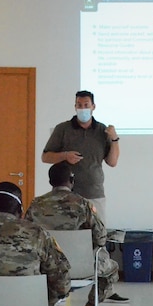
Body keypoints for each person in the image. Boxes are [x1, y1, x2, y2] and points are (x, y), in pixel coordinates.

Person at [24, 162, 128, 306]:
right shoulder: (83, 204)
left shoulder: (36, 205)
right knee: (112, 270)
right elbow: (101, 238)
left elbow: (27, 235)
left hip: (46, 267)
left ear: (51, 182)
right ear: (72, 180)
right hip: (80, 267)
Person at [41, 90, 120, 222]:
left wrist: (114, 140)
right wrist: (65, 156)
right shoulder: (62, 129)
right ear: (75, 107)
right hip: (67, 195)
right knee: (68, 234)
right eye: (79, 105)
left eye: (86, 105)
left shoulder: (102, 130)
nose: (82, 108)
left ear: (93, 107)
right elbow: (46, 157)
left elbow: (112, 162)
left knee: (96, 235)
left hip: (94, 193)